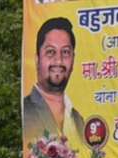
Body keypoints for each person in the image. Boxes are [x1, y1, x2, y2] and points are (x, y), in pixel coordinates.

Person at [23, 18, 86, 148]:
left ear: (73, 60)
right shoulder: (25, 111)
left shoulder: (78, 121)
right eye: (50, 52)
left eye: (65, 52)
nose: (58, 61)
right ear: (37, 59)